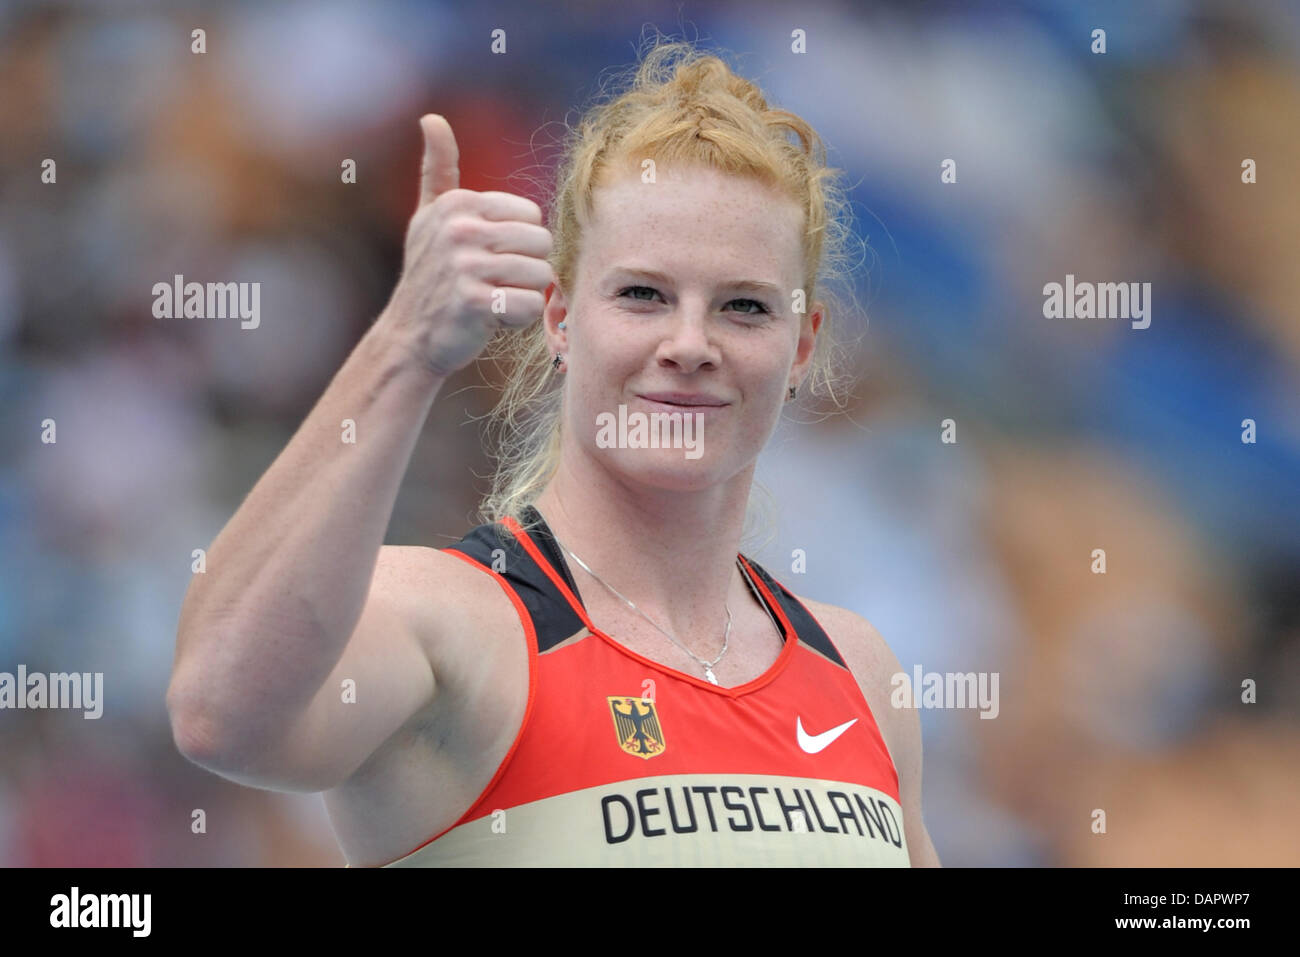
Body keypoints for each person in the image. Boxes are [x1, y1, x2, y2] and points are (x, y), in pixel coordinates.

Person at [167, 39, 940, 867]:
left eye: (743, 306)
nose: (689, 342)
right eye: (642, 294)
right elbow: (220, 714)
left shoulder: (857, 669)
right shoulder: (452, 623)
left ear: (801, 347)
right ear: (559, 317)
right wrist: (404, 344)